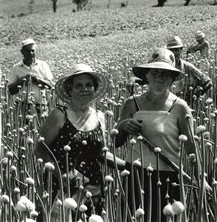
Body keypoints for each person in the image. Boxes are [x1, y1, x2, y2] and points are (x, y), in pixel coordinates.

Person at [115, 48, 196, 222]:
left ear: (173, 78)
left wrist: (200, 178)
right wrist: (123, 126)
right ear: (147, 76)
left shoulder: (180, 107)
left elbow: (191, 149)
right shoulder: (132, 103)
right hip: (135, 175)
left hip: (168, 177)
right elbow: (116, 142)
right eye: (155, 72)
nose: (159, 76)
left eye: (165, 73)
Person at [35, 64, 109, 220]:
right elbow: (40, 150)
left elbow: (102, 154)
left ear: (94, 89)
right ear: (70, 90)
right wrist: (62, 176)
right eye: (79, 85)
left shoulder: (100, 116)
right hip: (61, 188)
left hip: (93, 188)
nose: (84, 89)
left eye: (89, 85)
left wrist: (127, 165)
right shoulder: (59, 115)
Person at [8, 38, 54, 112]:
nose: (30, 53)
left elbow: (51, 86)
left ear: (35, 51)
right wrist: (23, 80)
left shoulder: (43, 65)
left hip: (41, 107)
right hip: (22, 107)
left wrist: (37, 79)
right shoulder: (16, 68)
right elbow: (11, 90)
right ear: (22, 52)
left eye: (32, 50)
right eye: (27, 51)